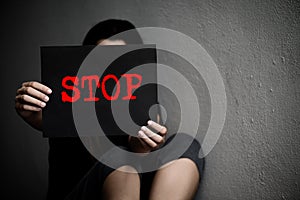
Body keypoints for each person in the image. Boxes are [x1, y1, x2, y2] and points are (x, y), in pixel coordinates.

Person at [15, 19, 204, 200]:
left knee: (184, 143)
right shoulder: (67, 105)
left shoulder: (143, 105)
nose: (109, 68)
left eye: (119, 60)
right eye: (101, 60)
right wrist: (35, 112)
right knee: (118, 157)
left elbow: (138, 158)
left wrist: (141, 147)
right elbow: (50, 119)